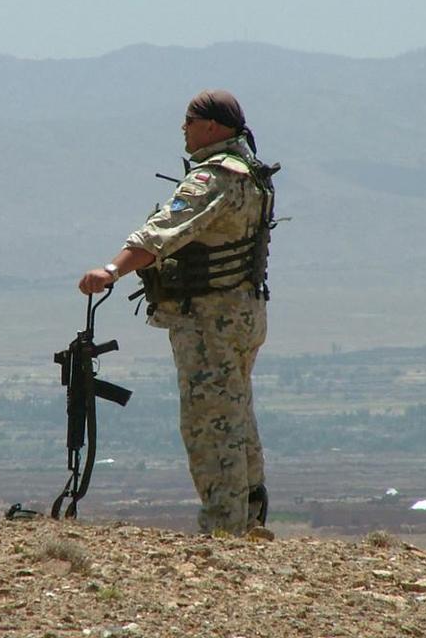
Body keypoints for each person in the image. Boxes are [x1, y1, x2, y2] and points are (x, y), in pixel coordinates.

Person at [79, 89, 277, 536]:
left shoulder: (215, 177)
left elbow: (161, 233)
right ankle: (248, 520)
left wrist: (111, 271)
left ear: (211, 126)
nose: (183, 131)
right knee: (237, 414)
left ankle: (224, 531)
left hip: (210, 319)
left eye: (189, 122)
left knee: (210, 422)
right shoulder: (252, 172)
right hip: (244, 313)